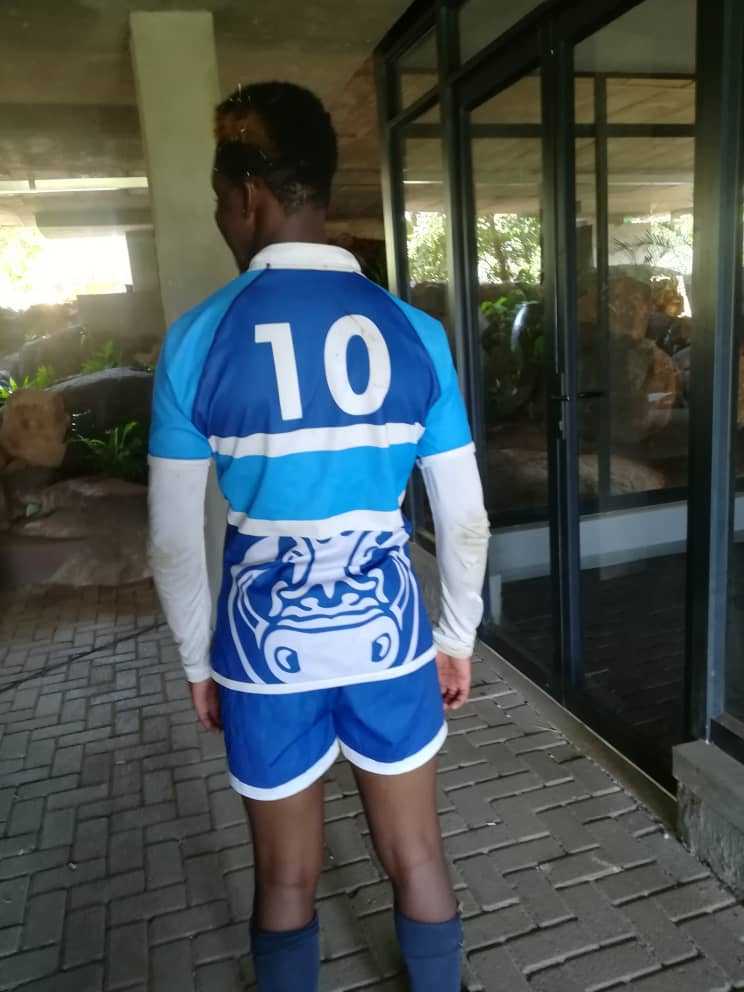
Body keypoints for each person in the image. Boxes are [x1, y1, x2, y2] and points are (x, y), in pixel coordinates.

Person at [148, 81, 489, 992]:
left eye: (220, 197)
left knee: (285, 877)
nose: (220, 215)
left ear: (248, 194)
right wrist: (455, 637)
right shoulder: (416, 333)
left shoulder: (196, 341)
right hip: (390, 640)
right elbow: (464, 519)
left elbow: (174, 544)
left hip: (262, 656)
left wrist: (199, 661)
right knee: (416, 852)